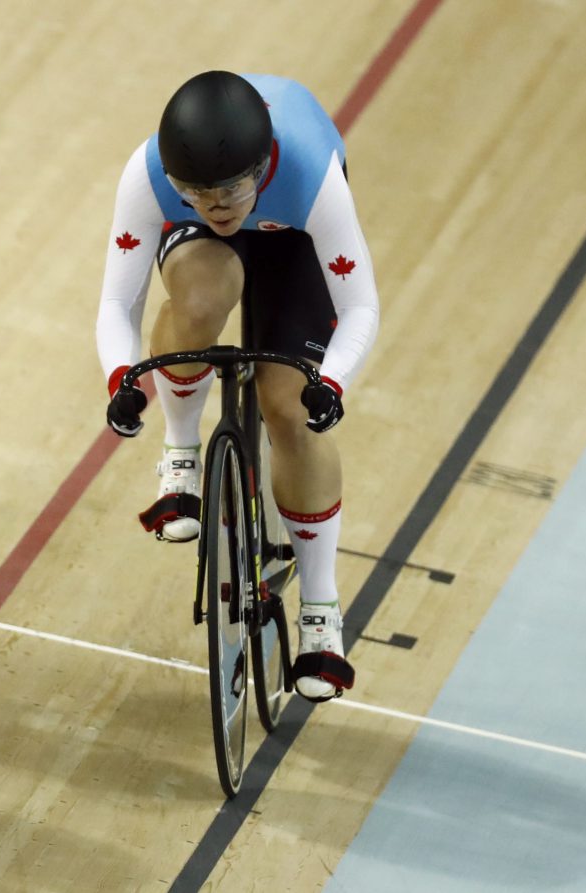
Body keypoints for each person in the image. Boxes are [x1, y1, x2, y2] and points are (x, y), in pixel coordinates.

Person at [96, 71, 379, 701]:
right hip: (212, 252)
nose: (216, 207)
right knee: (199, 297)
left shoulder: (309, 175)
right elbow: (119, 300)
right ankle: (180, 452)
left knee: (288, 412)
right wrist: (121, 379)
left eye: (227, 190)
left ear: (261, 166)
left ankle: (321, 611)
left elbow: (360, 307)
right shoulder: (149, 176)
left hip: (293, 239)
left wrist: (330, 383)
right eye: (195, 192)